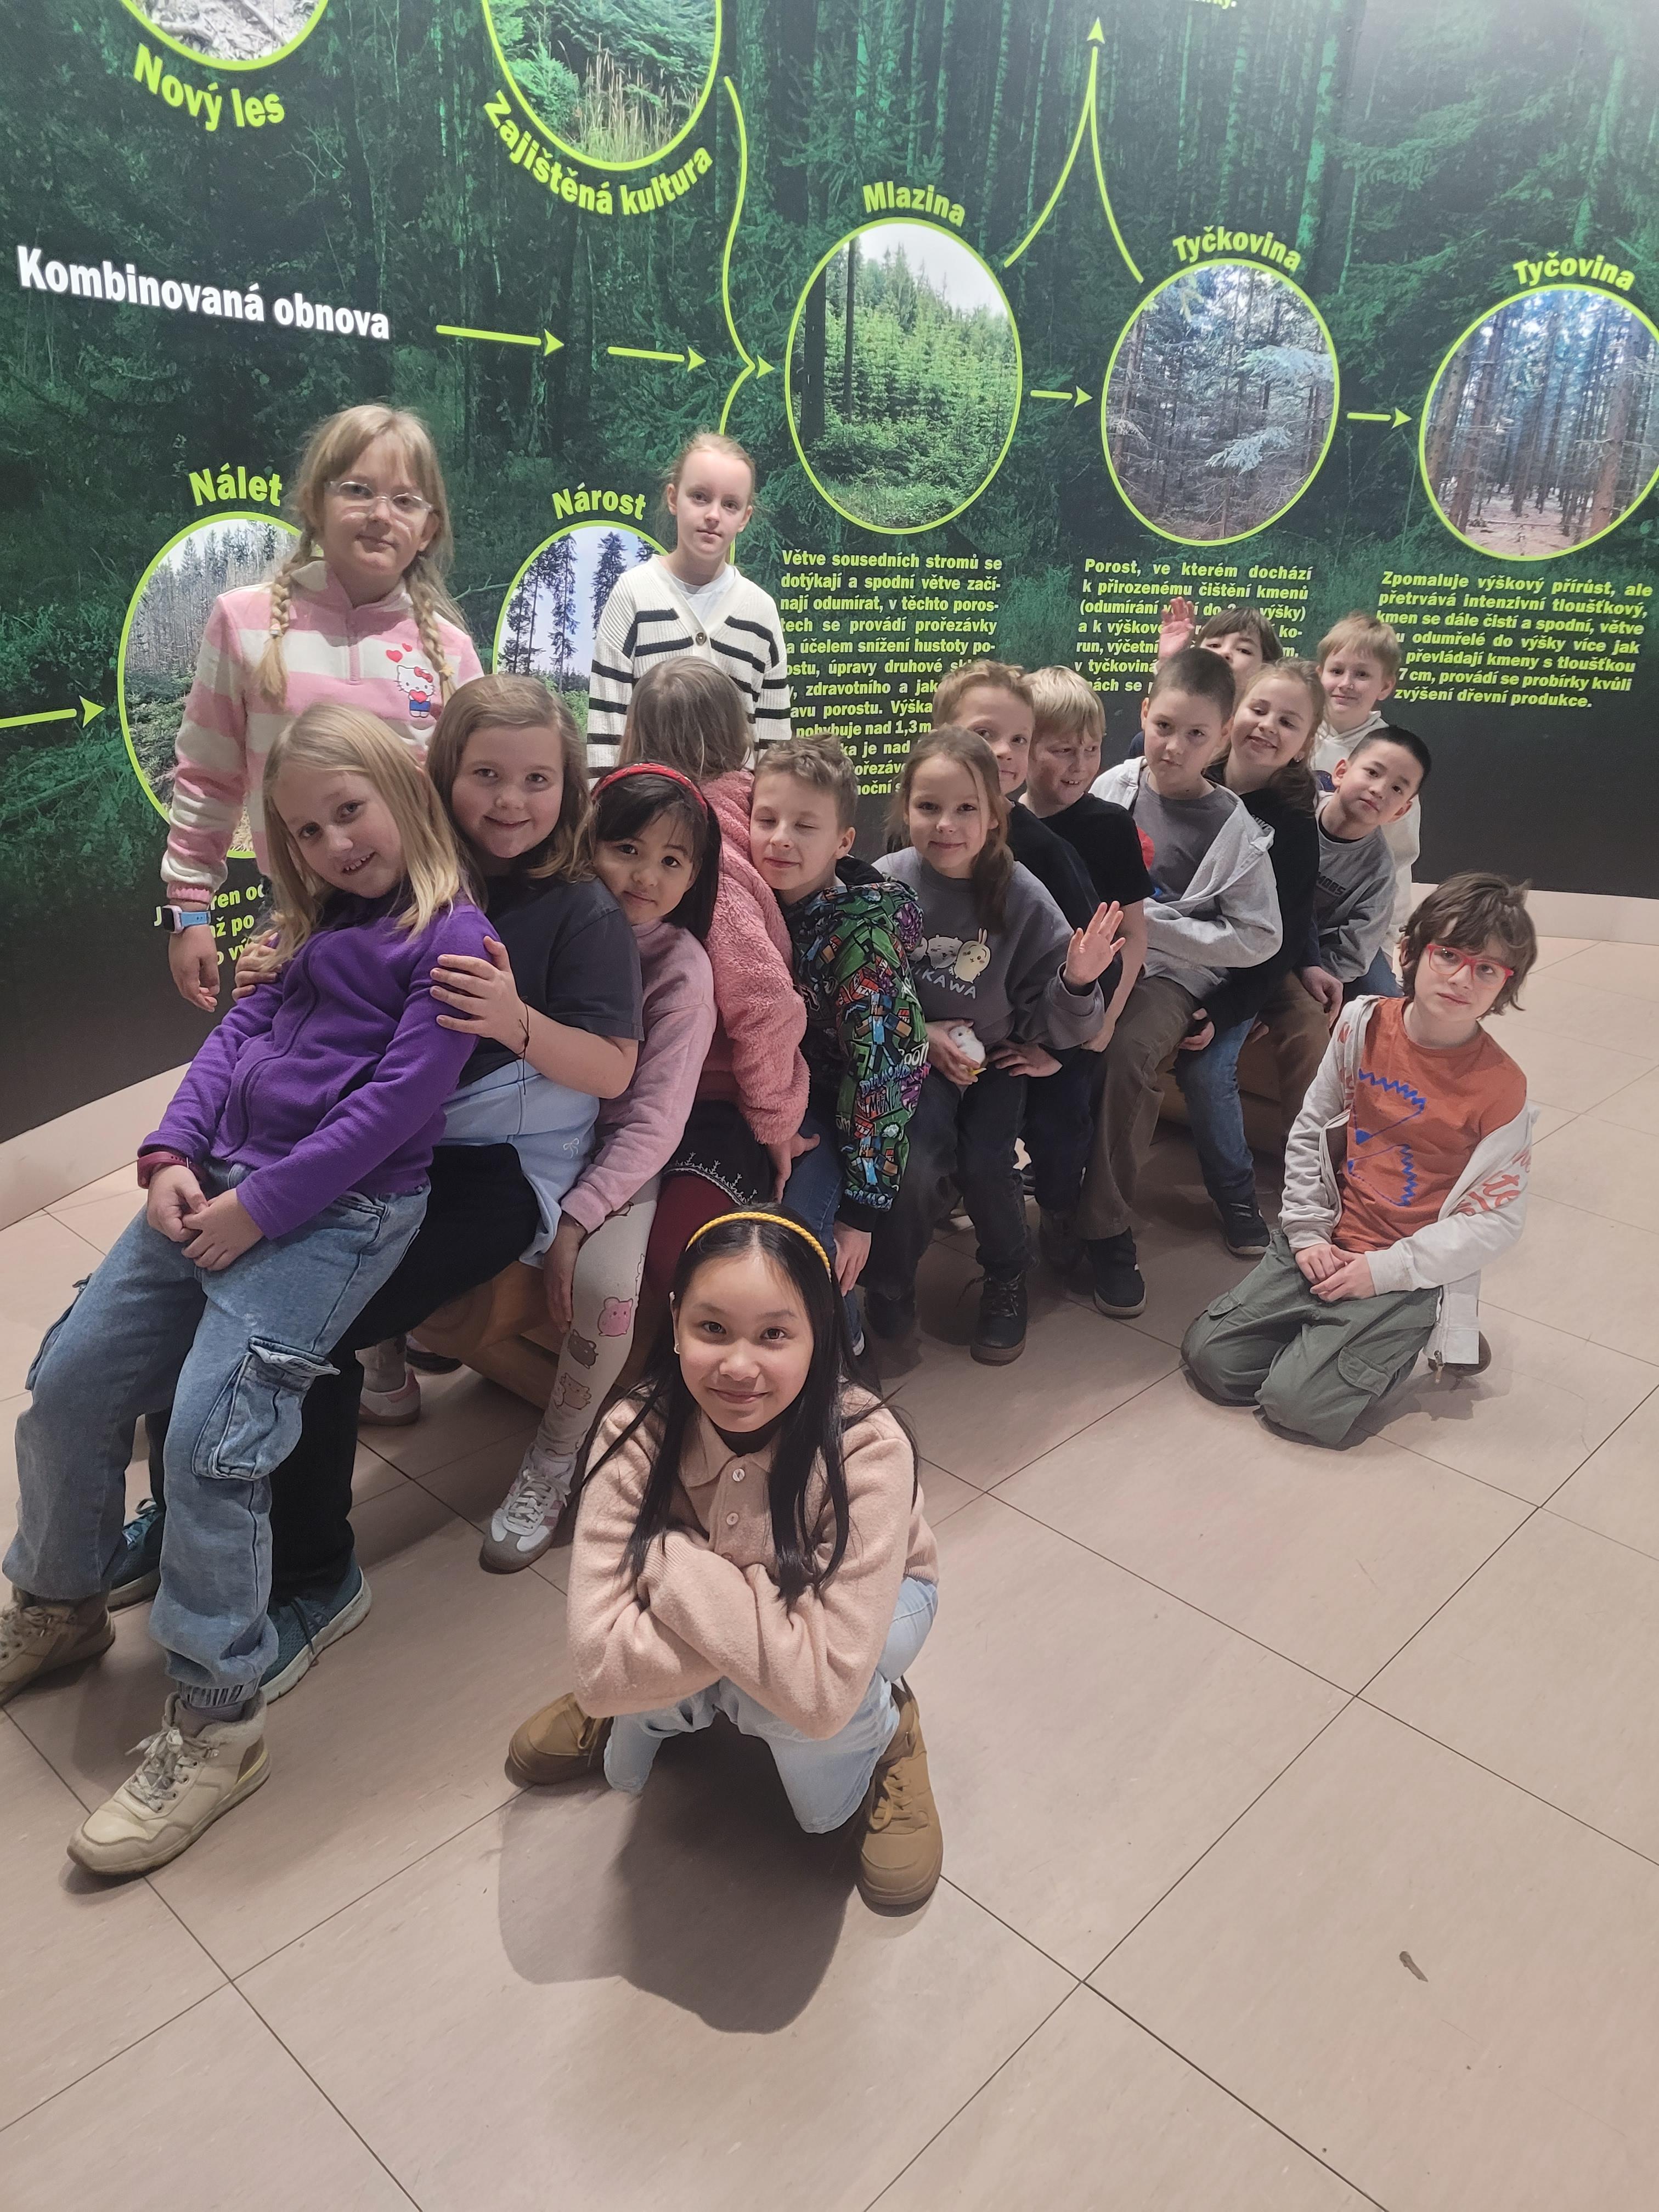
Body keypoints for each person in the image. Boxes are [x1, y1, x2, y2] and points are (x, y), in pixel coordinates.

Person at [1, 706, 491, 1872]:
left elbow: (397, 1109)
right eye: (306, 831)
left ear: (402, 796)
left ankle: (222, 1721)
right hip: (217, 1179)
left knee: (212, 1440)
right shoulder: (306, 924)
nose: (333, 844)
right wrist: (170, 1152)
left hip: (342, 1211)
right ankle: (61, 1601)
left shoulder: (456, 939)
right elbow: (231, 1042)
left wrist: (258, 1209)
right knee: (70, 1382)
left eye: (348, 812)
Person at [115, 676, 644, 1685]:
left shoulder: (578, 910)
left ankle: (315, 1572)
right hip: (371, 1143)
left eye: (537, 779)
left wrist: (515, 1021)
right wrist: (280, 972)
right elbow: (316, 981)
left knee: (306, 1325)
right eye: (484, 774)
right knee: (203, 1288)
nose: (509, 800)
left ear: (569, 786)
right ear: (438, 778)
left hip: (492, 1169)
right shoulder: (398, 863)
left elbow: (615, 1069)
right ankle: (182, 1514)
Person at [505, 1211, 944, 1912]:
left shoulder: (869, 1445)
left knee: (802, 1719)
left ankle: (889, 1730)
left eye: (774, 1334)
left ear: (820, 1331)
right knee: (742, 1683)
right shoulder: (632, 1429)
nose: (739, 1367)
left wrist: (665, 1561)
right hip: (784, 1624)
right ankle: (695, 1689)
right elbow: (598, 1669)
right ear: (676, 1322)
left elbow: (821, 1693)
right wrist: (760, 1652)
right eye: (712, 1328)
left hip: (891, 1597)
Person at [1183, 873, 1536, 1446]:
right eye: (1449, 954)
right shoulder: (1361, 1024)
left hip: (1406, 1267)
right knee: (1212, 1359)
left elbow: (1497, 1219)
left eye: (1488, 969)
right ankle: (1332, 1339)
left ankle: (1419, 1325)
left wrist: (1385, 1273)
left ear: (1505, 985)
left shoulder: (1502, 1087)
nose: (1462, 979)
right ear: (1411, 952)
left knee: (1295, 1404)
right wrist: (1306, 1232)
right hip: (1330, 1237)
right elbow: (1311, 1128)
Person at [161, 403, 482, 1012]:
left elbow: (466, 802)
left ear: (428, 529)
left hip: (418, 925)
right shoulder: (243, 622)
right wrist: (190, 910)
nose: (381, 515)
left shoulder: (452, 653)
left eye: (405, 501)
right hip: (294, 917)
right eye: (358, 490)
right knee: (285, 1064)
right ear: (315, 502)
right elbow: (207, 776)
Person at [484, 763, 719, 1571]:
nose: (645, 876)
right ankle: (389, 1362)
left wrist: (580, 1217)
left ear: (695, 875)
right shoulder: (545, 913)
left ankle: (555, 1457)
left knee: (609, 1289)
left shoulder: (681, 969)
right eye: (627, 848)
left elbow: (654, 1120)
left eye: (672, 860)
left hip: (610, 1160)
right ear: (588, 840)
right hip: (514, 1130)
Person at [865, 727, 1121, 1365]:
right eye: (928, 807)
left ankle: (1008, 1273)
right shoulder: (884, 885)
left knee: (987, 1163)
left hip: (994, 1063)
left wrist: (1075, 983)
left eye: (965, 808)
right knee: (913, 1163)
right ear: (904, 809)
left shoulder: (1024, 896)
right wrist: (920, 1034)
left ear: (995, 818)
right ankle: (890, 1293)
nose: (946, 825)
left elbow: (1059, 1014)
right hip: (914, 1060)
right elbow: (860, 989)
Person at [1085, 648, 1281, 1318]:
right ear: (1145, 715)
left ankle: (1106, 1228)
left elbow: (1260, 935)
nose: (1174, 746)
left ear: (1222, 738)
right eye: (1164, 726)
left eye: (1196, 734)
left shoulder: (1236, 829)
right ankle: (1047, 1187)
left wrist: (1156, 930)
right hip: (1097, 954)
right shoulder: (1112, 788)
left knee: (1126, 1051)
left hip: (1172, 974)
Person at [616, 660, 811, 1316]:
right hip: (647, 1087)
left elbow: (764, 1001)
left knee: (680, 1259)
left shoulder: (712, 854)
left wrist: (775, 1122)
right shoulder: (739, 820)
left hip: (712, 1099)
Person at [747, 736, 930, 1317]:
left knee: (802, 1245)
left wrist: (861, 1212)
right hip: (777, 1097)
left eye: (805, 826)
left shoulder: (863, 941)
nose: (781, 838)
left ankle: (841, 1348)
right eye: (767, 820)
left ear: (843, 842)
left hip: (841, 1115)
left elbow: (885, 1073)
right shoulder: (751, 902)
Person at [1171, 659, 1324, 1256]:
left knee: (1208, 1068)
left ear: (1304, 744)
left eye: (1288, 721)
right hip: (1176, 949)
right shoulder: (1186, 780)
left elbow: (1280, 940)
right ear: (1231, 715)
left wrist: (1229, 1009)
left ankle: (1236, 1197)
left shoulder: (1294, 827)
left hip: (1248, 965)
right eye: (1258, 710)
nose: (1267, 726)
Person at [1019, 665, 1154, 1272]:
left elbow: (1135, 934)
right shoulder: (999, 823)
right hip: (1019, 1005)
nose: (1079, 766)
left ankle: (1061, 1207)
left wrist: (1106, 1021)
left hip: (1088, 1006)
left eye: (1092, 749)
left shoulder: (1110, 826)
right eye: (1062, 750)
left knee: (1063, 1119)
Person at [586, 431, 791, 772]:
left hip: (735, 806)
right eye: (699, 497)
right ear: (673, 498)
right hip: (647, 802)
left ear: (745, 517)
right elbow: (606, 734)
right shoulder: (632, 595)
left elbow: (775, 748)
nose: (713, 515)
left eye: (730, 505)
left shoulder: (761, 612)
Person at [933, 661, 1097, 926]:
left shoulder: (1048, 853)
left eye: (1018, 740)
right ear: (939, 736)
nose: (1004, 751)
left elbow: (1086, 943)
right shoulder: (912, 830)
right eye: (984, 733)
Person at [1312, 612, 1413, 984]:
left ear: (1385, 686)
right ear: (1319, 673)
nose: (1346, 684)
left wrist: (1386, 937)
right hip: (1282, 900)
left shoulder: (1394, 758)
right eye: (1337, 670)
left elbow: (1400, 857)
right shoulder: (1294, 729)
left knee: (1381, 996)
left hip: (1349, 920)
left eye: (1362, 674)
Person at [1111, 600, 1284, 760]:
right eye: (1214, 645)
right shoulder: (1145, 744)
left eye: (1244, 650)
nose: (1224, 653)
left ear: (1267, 667)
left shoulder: (1258, 748)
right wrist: (1170, 663)